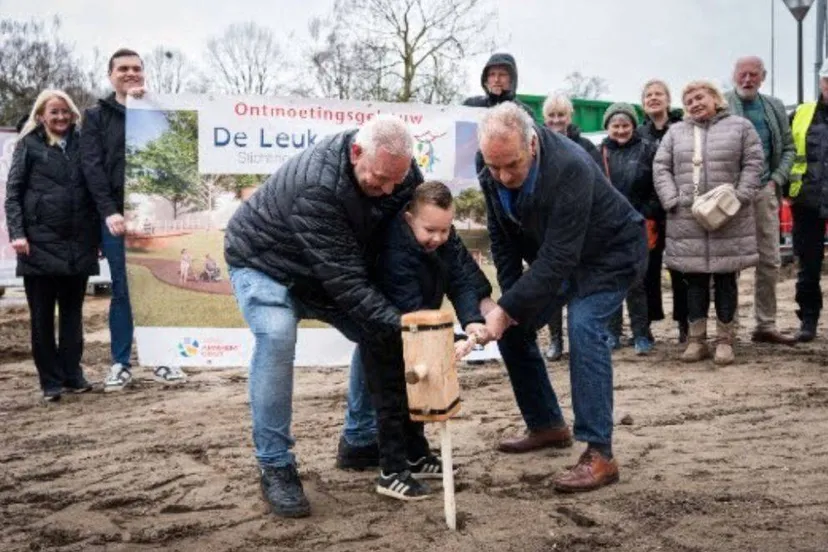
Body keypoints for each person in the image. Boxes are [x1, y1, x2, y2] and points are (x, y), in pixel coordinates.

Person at [224, 115, 464, 516]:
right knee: (278, 336)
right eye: (380, 179)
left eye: (397, 180)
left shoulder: (401, 175)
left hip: (325, 269)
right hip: (265, 262)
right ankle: (275, 464)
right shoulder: (316, 187)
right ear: (356, 153)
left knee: (379, 330)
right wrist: (411, 326)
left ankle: (359, 439)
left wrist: (470, 304)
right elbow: (350, 286)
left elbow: (419, 242)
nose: (390, 189)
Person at [477, 102, 647, 492]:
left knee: (584, 325)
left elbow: (558, 258)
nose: (502, 176)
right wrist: (508, 305)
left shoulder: (570, 166)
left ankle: (600, 454)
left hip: (611, 253)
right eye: (493, 166)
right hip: (564, 256)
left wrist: (508, 308)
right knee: (514, 328)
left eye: (512, 166)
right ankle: (547, 425)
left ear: (532, 144)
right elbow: (502, 236)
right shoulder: (490, 162)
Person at [368, 180, 493, 499]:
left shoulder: (444, 241)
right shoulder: (395, 252)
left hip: (421, 327)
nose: (438, 238)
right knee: (393, 400)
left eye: (445, 230)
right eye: (430, 230)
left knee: (419, 394)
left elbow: (461, 282)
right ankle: (392, 471)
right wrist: (444, 341)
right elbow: (411, 308)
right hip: (387, 331)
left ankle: (416, 455)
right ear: (410, 219)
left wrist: (473, 321)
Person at [81, 48, 186, 390]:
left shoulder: (159, 110)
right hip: (116, 219)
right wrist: (108, 210)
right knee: (124, 291)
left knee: (158, 287)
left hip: (155, 215)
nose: (131, 73)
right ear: (111, 75)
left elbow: (176, 153)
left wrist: (151, 106)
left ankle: (164, 359)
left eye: (136, 68)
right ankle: (120, 363)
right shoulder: (96, 116)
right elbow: (92, 167)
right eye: (123, 68)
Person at [653, 80, 764, 365]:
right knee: (695, 280)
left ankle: (725, 340)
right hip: (686, 217)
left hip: (728, 216)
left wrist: (739, 197)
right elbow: (661, 166)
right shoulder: (676, 132)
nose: (694, 103)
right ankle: (696, 340)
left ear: (715, 98)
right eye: (688, 100)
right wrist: (671, 199)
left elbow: (754, 163)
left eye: (699, 97)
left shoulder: (740, 127)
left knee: (727, 278)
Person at [4, 90, 99, 402]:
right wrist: (18, 233)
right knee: (42, 317)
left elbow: (95, 190)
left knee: (73, 314)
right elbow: (13, 194)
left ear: (72, 114)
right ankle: (50, 382)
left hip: (78, 243)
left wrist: (96, 236)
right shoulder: (27, 145)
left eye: (65, 112)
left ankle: (73, 374)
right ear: (41, 115)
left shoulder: (85, 144)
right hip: (38, 246)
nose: (60, 118)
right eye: (53, 112)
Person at [726, 56, 797, 345]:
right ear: (734, 75)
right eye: (742, 74)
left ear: (762, 77)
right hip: (729, 194)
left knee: (769, 259)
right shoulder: (722, 103)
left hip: (764, 191)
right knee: (728, 262)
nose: (747, 79)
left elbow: (789, 147)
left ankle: (764, 325)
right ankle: (727, 328)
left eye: (753, 74)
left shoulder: (775, 107)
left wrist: (776, 179)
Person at [540, 93, 602, 360]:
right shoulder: (538, 145)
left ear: (570, 116)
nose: (556, 120)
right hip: (548, 228)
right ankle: (555, 340)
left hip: (582, 227)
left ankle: (582, 339)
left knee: (581, 286)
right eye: (551, 116)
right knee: (553, 286)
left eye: (561, 115)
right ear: (545, 118)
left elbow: (600, 185)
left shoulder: (586, 146)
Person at [599, 103, 660, 355]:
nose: (621, 130)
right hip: (608, 226)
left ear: (633, 126)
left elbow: (657, 186)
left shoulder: (648, 150)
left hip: (639, 223)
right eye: (616, 125)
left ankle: (641, 334)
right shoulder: (598, 152)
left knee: (637, 282)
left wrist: (645, 212)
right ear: (608, 127)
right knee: (611, 281)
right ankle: (613, 333)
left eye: (625, 125)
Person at [638, 79, 689, 342]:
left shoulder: (682, 129)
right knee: (648, 270)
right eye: (649, 95)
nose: (654, 98)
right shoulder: (638, 134)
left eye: (659, 94)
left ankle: (685, 323)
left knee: (681, 269)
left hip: (679, 209)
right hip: (650, 212)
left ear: (668, 100)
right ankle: (646, 322)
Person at [788, 57, 828, 342]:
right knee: (808, 266)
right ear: (821, 82)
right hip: (807, 202)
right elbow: (788, 151)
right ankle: (809, 319)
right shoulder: (802, 113)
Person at [462, 53, 533, 115]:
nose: (496, 80)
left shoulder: (523, 111)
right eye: (492, 74)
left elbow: (537, 130)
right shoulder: (471, 105)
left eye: (502, 74)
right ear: (486, 79)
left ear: (512, 79)